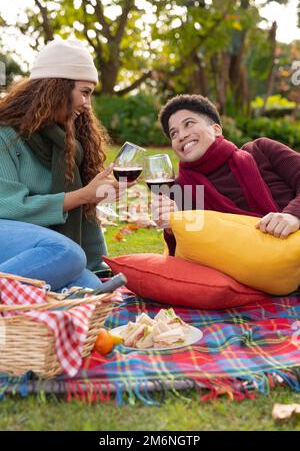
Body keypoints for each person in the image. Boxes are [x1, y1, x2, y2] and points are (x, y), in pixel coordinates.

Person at [0, 38, 126, 290]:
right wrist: (81, 196)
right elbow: (8, 206)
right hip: (9, 233)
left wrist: (93, 196)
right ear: (57, 87)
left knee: (87, 286)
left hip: (37, 247)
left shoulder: (66, 143)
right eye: (85, 92)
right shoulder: (5, 135)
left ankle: (20, 316)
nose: (88, 104)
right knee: (67, 253)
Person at [152, 94, 300, 255]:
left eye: (189, 124)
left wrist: (293, 215)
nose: (181, 136)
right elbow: (185, 255)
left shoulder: (261, 150)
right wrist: (171, 228)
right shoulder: (179, 191)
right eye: (174, 133)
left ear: (216, 129)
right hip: (249, 269)